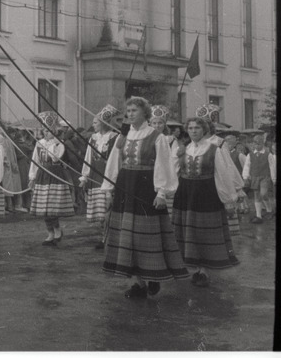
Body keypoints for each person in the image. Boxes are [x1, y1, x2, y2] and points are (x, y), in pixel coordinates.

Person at [102, 97, 188, 299]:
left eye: (134, 110)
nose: (130, 114)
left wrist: (161, 193)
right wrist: (109, 189)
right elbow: (114, 164)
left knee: (145, 235)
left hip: (146, 188)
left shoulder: (156, 136)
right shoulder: (122, 136)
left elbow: (164, 166)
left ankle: (153, 276)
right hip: (125, 186)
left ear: (145, 114)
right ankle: (138, 283)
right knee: (127, 234)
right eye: (128, 110)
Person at [173, 117, 240, 287]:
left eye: (197, 128)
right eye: (190, 128)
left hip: (207, 193)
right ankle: (195, 267)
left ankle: (204, 270)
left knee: (204, 231)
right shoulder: (183, 149)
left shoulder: (213, 149)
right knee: (190, 231)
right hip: (186, 194)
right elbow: (173, 171)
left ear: (204, 130)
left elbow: (222, 175)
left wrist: (229, 199)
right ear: (187, 131)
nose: (194, 131)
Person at [28, 112, 75, 246]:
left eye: (49, 131)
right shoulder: (39, 143)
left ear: (54, 131)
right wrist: (32, 177)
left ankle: (57, 229)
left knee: (52, 206)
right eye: (45, 131)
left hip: (55, 175)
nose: (47, 133)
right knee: (43, 207)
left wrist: (53, 144)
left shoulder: (59, 144)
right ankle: (49, 232)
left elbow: (55, 158)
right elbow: (35, 161)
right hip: (42, 175)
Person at [79, 105, 120, 249]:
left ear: (103, 123)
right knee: (101, 210)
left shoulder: (115, 137)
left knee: (109, 208)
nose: (93, 125)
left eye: (95, 122)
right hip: (96, 175)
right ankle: (104, 237)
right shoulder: (93, 138)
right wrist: (84, 176)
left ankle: (108, 237)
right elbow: (88, 157)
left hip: (108, 174)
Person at [148, 105, 185, 215]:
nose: (157, 126)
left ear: (164, 125)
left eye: (160, 123)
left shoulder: (170, 140)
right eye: (154, 123)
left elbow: (173, 160)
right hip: (150, 174)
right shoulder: (147, 138)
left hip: (165, 174)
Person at [242, 133, 276, 224]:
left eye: (259, 144)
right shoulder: (250, 155)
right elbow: (247, 166)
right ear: (253, 144)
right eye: (255, 144)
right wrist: (245, 176)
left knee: (263, 194)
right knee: (257, 195)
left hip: (265, 177)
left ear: (263, 144)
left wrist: (274, 178)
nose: (257, 145)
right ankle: (258, 215)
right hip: (254, 178)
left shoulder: (268, 155)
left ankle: (269, 209)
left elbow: (272, 167)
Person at [0, 129, 22, 212]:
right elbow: (3, 153)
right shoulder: (0, 139)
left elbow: (11, 153)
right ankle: (6, 206)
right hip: (4, 165)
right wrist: (7, 162)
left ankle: (11, 205)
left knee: (10, 186)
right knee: (5, 186)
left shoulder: (7, 139)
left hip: (10, 165)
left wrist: (13, 163)